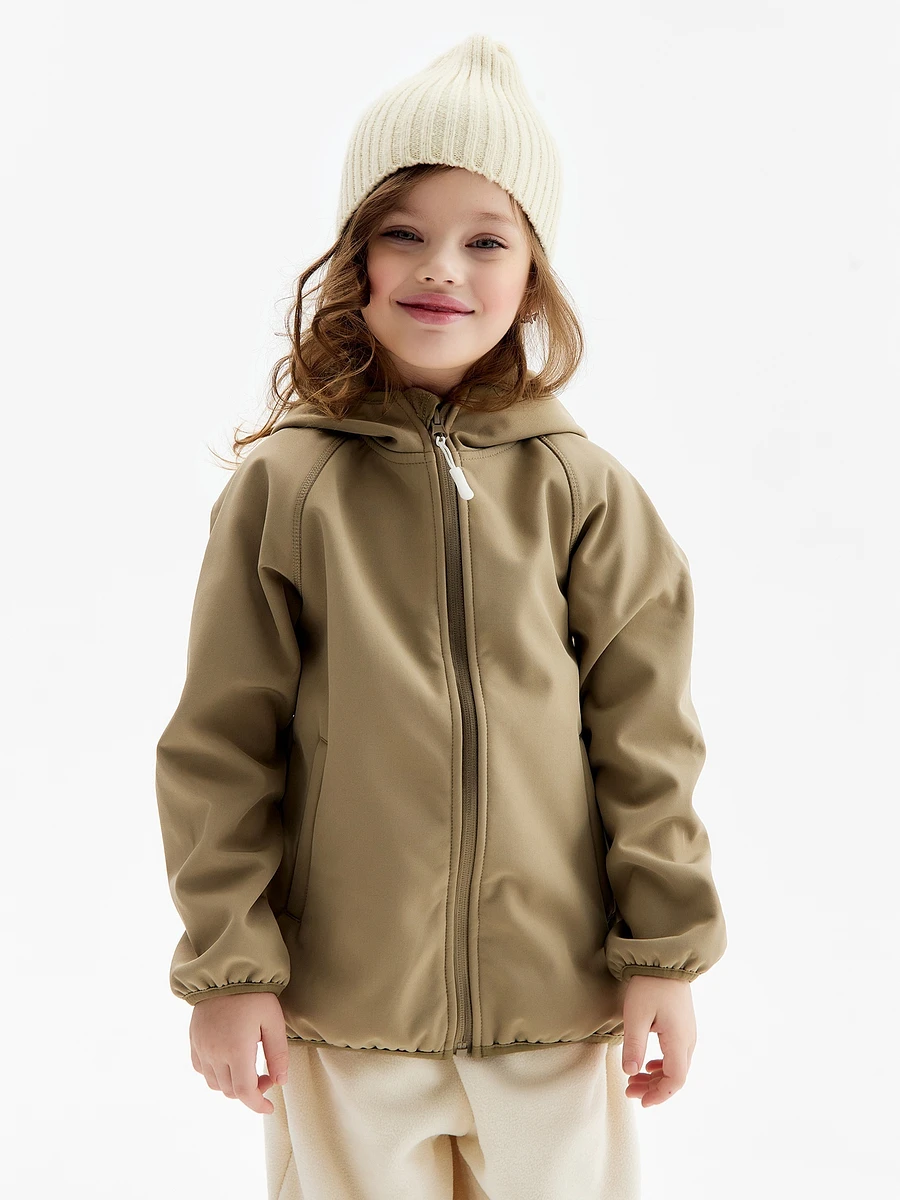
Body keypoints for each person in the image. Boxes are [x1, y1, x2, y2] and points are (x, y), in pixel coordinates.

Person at [155, 32, 727, 1200]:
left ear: (535, 274)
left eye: (486, 240)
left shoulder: (583, 488)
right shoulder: (288, 488)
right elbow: (222, 743)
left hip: (555, 1011)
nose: (442, 269)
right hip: (344, 1014)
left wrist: (663, 957)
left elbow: (647, 740)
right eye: (403, 232)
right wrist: (230, 970)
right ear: (354, 257)